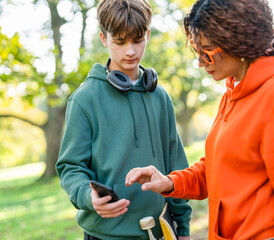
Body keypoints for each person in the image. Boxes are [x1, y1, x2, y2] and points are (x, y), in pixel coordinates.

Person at [125, 0, 274, 239]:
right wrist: (170, 182)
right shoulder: (234, 92)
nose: (200, 62)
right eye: (197, 52)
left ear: (237, 41)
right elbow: (220, 167)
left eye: (207, 52)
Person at [55, 0, 192, 239]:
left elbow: (176, 166)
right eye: (120, 42)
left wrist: (183, 228)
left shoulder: (160, 96)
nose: (130, 51)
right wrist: (88, 197)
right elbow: (70, 167)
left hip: (162, 232)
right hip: (105, 234)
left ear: (147, 35)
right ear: (104, 39)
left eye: (137, 40)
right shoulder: (84, 100)